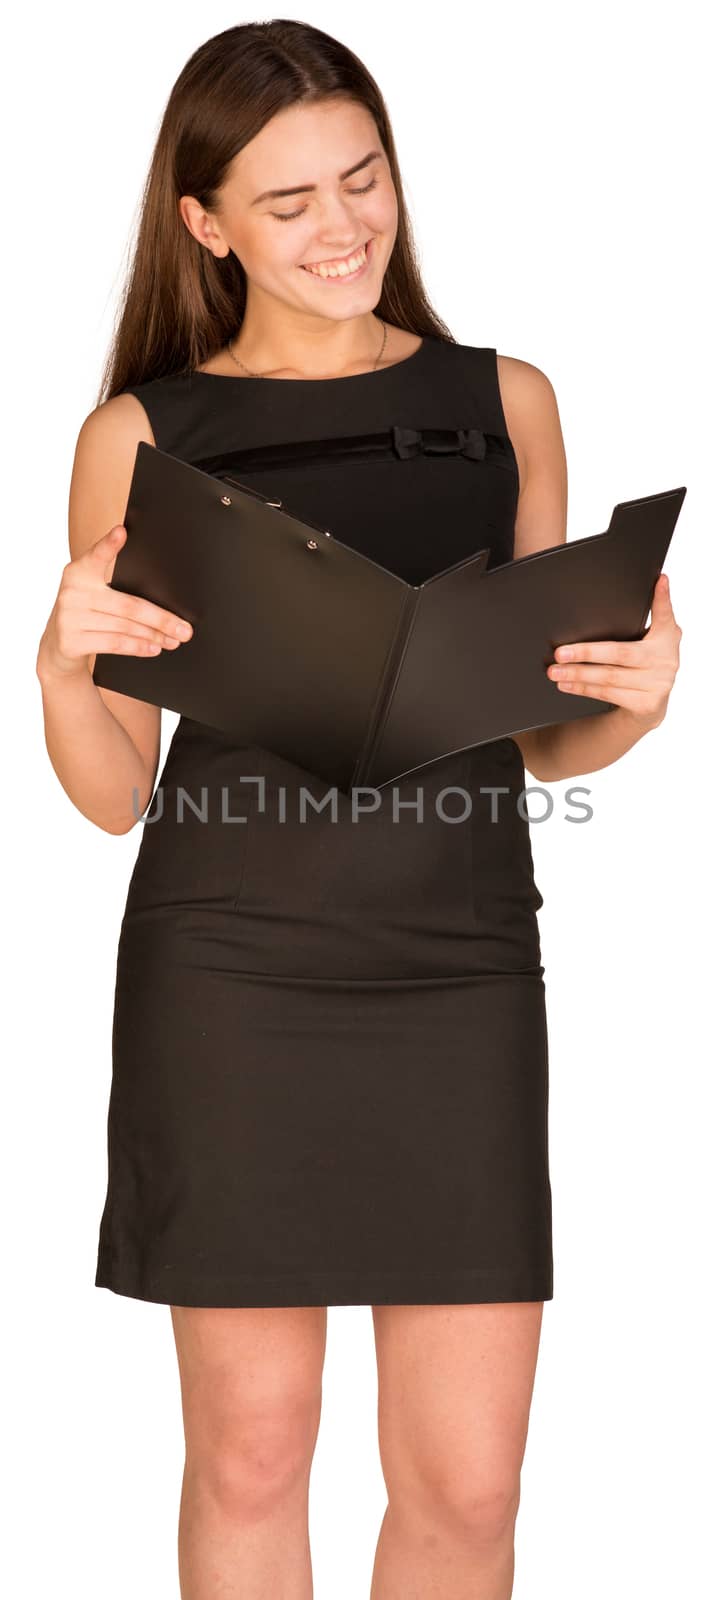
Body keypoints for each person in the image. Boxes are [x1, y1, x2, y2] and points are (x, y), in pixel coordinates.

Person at [36, 19, 682, 1600]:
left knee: (466, 1488)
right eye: (286, 204)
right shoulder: (139, 439)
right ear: (204, 226)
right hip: (230, 972)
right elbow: (115, 792)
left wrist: (636, 699)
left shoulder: (503, 399)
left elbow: (541, 746)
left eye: (363, 179)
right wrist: (60, 666)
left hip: (456, 971)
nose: (342, 230)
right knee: (251, 1455)